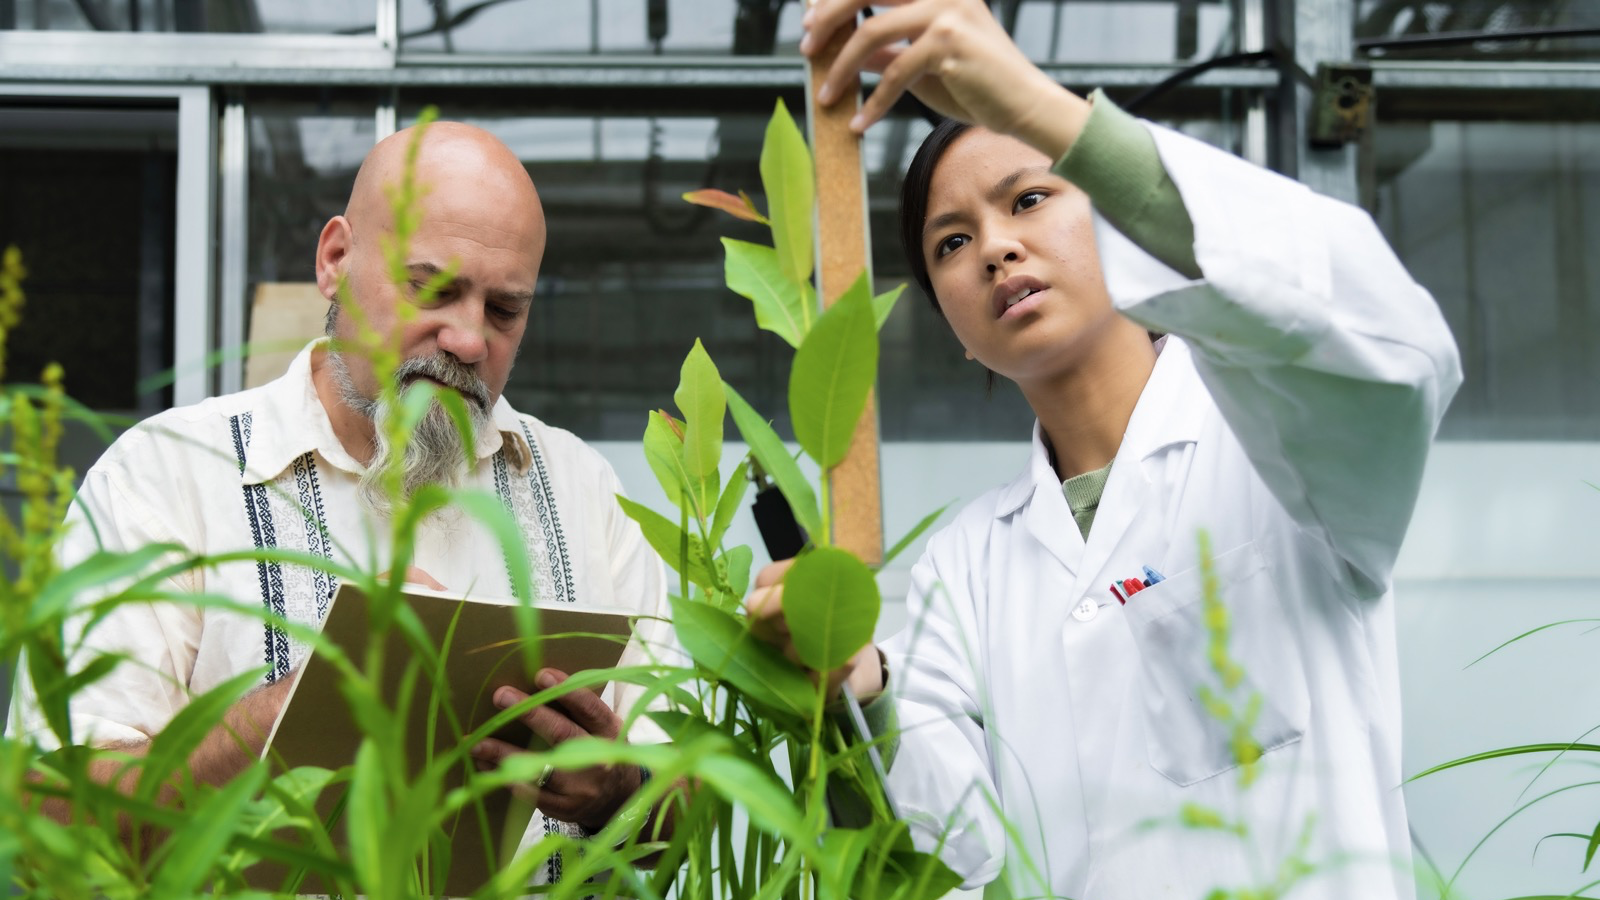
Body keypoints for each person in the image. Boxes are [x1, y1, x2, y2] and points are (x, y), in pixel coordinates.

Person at [749, 1, 1462, 898]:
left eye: (1031, 197)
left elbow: (1389, 346)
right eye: (953, 242)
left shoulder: (1277, 441)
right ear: (957, 332)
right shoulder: (965, 570)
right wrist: (858, 678)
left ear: (1120, 227)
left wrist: (1036, 105)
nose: (997, 249)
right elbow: (949, 859)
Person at [9, 122, 668, 879]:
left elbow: (693, 798)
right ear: (334, 260)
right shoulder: (167, 477)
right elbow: (48, 816)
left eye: (504, 310)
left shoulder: (585, 491)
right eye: (434, 287)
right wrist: (293, 710)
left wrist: (622, 790)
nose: (467, 340)